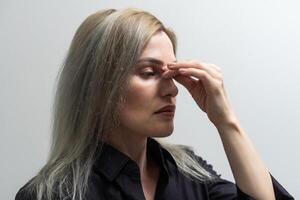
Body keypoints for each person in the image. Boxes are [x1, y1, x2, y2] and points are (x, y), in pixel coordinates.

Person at [15, 8, 294, 200]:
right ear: (99, 86)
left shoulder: (189, 172)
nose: (172, 89)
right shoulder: (51, 194)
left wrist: (226, 121)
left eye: (172, 74)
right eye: (149, 73)